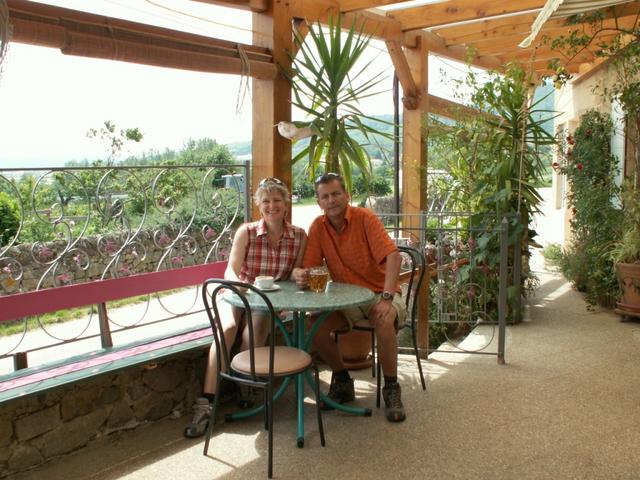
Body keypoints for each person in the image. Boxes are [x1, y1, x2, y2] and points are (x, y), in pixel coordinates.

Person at [184, 177, 307, 438]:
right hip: (237, 292)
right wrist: (239, 285)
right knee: (227, 329)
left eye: (277, 200)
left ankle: (245, 382)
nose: (272, 206)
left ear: (286, 204)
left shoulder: (299, 235)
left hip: (267, 299)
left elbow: (293, 272)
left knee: (254, 333)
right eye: (266, 201)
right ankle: (206, 403)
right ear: (258, 205)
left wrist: (298, 274)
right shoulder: (247, 231)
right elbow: (231, 269)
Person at [292, 172, 407, 423]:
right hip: (346, 298)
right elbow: (310, 267)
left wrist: (387, 298)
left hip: (380, 291)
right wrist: (300, 274)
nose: (331, 200)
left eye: (336, 194)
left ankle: (391, 387)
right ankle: (343, 380)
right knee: (315, 325)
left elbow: (393, 256)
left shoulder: (365, 218)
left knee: (384, 319)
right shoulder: (318, 227)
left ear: (347, 195)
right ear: (319, 202)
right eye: (325, 196)